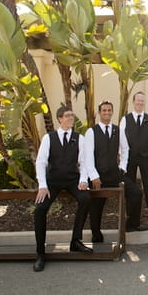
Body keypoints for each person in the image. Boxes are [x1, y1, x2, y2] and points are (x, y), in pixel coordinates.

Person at [33, 107, 92, 272]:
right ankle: (40, 253)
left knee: (85, 198)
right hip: (53, 181)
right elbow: (41, 162)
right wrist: (43, 185)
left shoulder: (79, 138)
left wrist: (82, 180)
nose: (71, 118)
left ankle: (75, 241)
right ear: (60, 119)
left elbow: (84, 162)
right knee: (40, 209)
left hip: (72, 179)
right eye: (67, 116)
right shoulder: (48, 138)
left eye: (72, 115)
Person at [84, 101, 148, 238]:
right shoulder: (91, 132)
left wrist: (123, 166)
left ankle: (132, 224)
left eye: (109, 110)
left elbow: (125, 149)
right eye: (104, 110)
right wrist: (93, 176)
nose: (107, 113)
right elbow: (87, 156)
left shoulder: (117, 130)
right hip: (98, 175)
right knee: (96, 204)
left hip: (115, 174)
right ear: (99, 113)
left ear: (112, 112)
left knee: (136, 194)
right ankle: (96, 234)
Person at [119, 91, 148, 226]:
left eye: (142, 101)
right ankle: (132, 219)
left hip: (145, 157)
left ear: (144, 103)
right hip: (130, 158)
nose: (140, 103)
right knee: (130, 189)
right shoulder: (125, 119)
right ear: (133, 102)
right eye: (138, 100)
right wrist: (123, 156)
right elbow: (121, 140)